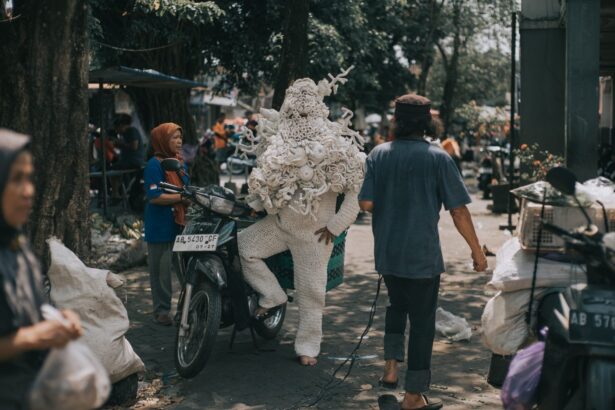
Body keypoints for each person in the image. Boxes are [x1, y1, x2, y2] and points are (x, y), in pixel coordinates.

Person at [358, 94, 488, 410]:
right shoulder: (438, 157)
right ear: (428, 122)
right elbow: (458, 211)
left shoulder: (378, 154)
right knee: (422, 323)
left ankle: (391, 367)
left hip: (388, 253)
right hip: (422, 256)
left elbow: (366, 204)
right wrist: (477, 252)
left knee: (395, 305)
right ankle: (413, 396)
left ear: (396, 121)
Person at [237, 70, 364, 366]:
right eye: (295, 104)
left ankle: (308, 346)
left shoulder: (336, 148)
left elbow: (354, 197)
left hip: (315, 234)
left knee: (311, 292)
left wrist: (335, 227)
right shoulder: (276, 144)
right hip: (279, 226)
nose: (300, 110)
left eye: (305, 105)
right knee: (244, 247)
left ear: (319, 109)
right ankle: (273, 295)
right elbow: (266, 182)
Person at [0, 129, 83, 409]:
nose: (28, 191)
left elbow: (27, 309)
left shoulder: (16, 245)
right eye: (15, 180)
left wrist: (58, 319)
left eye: (29, 179)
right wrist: (34, 337)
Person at [143, 123, 189, 326]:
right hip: (160, 225)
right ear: (162, 140)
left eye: (180, 137)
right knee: (160, 272)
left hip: (180, 223)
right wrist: (182, 197)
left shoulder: (180, 163)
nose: (179, 142)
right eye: (173, 138)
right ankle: (161, 311)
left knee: (185, 270)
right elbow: (154, 197)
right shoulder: (154, 165)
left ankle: (185, 310)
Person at [111, 114, 145, 204]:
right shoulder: (126, 134)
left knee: (112, 170)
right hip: (129, 160)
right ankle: (120, 192)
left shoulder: (131, 131)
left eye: (117, 128)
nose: (117, 132)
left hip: (134, 161)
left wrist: (120, 143)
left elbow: (134, 146)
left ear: (121, 125)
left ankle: (115, 195)